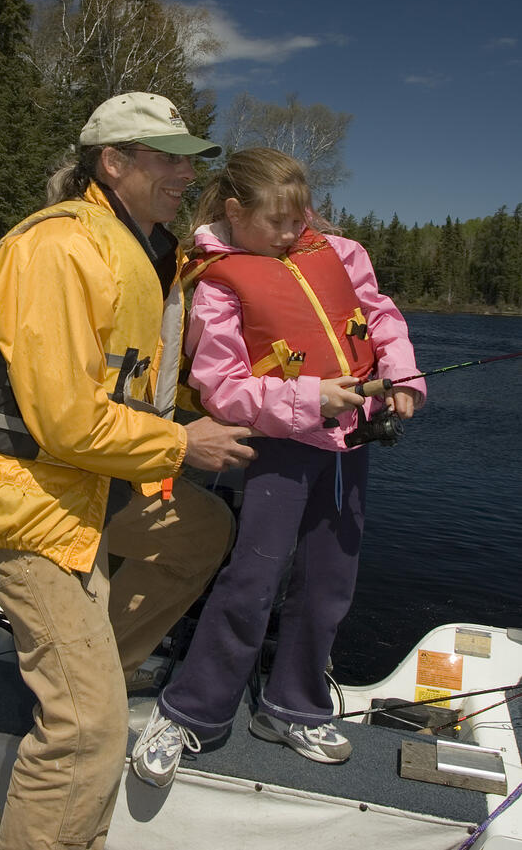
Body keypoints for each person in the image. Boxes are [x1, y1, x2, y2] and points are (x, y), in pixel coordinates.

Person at [0, 91, 256, 850]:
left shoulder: (152, 252)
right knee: (87, 733)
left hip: (87, 480)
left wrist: (269, 403)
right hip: (18, 496)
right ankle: (85, 704)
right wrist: (183, 446)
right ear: (114, 162)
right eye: (168, 157)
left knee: (201, 530)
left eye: (189, 158)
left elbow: (150, 382)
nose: (186, 171)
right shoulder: (59, 248)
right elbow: (67, 418)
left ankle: (94, 667)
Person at [132, 146, 426, 786]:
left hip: (348, 446)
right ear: (235, 212)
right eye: (278, 223)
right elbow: (221, 388)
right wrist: (308, 397)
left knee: (329, 584)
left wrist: (401, 375)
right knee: (251, 582)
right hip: (280, 443)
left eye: (301, 219)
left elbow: (380, 317)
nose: (294, 235)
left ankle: (292, 707)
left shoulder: (342, 255)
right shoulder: (218, 279)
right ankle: (192, 711)